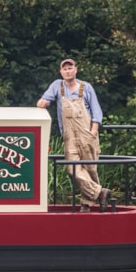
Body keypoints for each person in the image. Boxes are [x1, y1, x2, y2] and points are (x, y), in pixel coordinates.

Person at [37, 58, 111, 212]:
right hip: (69, 136)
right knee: (72, 169)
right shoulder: (57, 86)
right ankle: (100, 192)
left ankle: (87, 204)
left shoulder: (86, 87)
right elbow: (42, 101)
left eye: (70, 68)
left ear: (76, 70)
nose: (67, 71)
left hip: (87, 133)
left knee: (90, 168)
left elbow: (96, 112)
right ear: (61, 72)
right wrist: (42, 103)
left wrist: (93, 132)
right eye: (64, 69)